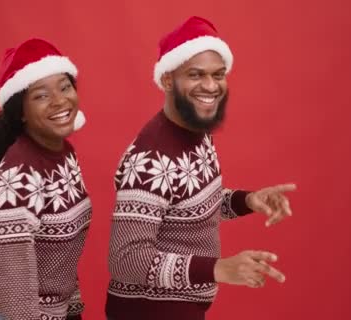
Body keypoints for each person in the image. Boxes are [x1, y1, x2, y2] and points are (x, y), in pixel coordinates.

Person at [106, 16, 297, 320]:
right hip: (147, 312)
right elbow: (126, 259)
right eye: (196, 75)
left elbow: (185, 206)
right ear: (168, 79)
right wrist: (218, 269)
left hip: (182, 309)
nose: (210, 86)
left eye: (218, 74)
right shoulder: (151, 158)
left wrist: (246, 200)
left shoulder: (196, 133)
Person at [0, 38, 91, 320]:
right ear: (20, 113)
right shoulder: (20, 171)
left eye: (64, 87)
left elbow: (60, 257)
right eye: (41, 95)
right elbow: (14, 280)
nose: (60, 100)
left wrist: (72, 311)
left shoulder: (64, 154)